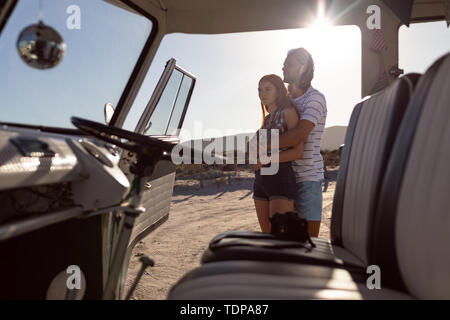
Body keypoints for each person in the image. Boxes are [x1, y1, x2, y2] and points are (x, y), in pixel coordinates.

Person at [278, 47, 327, 237]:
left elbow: (299, 134)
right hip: (285, 177)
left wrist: (263, 147)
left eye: (289, 64)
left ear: (303, 67)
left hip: (308, 180)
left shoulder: (315, 98)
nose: (283, 68)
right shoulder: (284, 100)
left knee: (308, 244)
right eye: (283, 64)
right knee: (284, 242)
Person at [252, 74, 304, 233]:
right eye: (260, 90)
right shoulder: (266, 121)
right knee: (266, 238)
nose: (262, 93)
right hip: (261, 180)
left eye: (268, 89)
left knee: (280, 240)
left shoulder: (288, 112)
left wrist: (266, 157)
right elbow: (255, 150)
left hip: (281, 177)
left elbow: (298, 151)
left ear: (278, 91)